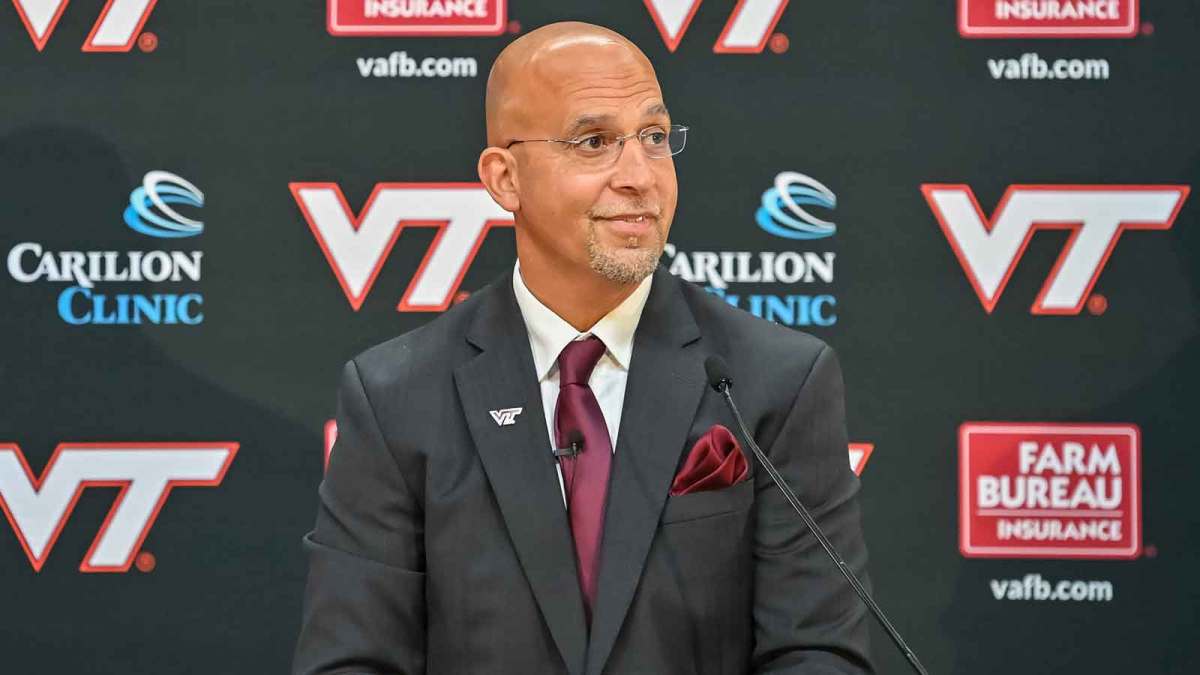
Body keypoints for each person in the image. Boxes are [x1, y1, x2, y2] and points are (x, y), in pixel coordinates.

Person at [293, 21, 873, 675]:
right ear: (504, 178)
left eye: (654, 138)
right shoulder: (395, 397)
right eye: (594, 141)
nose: (640, 176)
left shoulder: (777, 381)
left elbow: (818, 652)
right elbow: (351, 660)